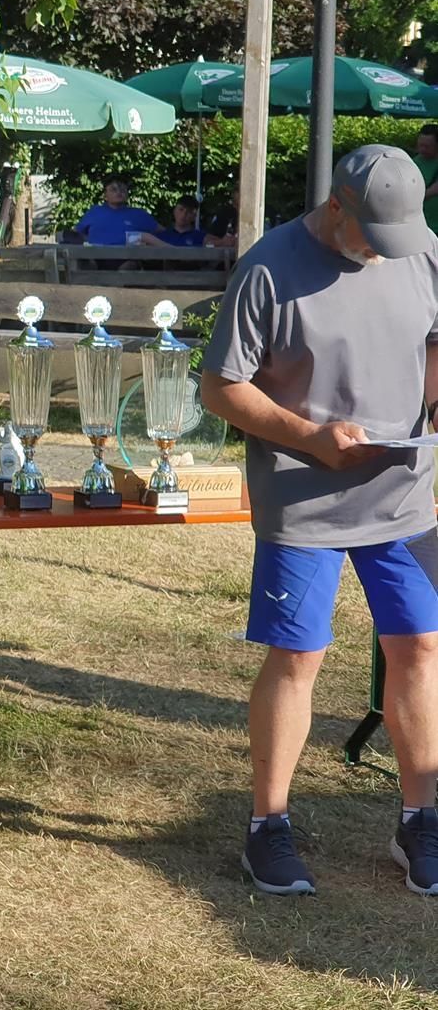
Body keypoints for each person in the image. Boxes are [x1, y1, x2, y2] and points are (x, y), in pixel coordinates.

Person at [201, 144, 438, 898]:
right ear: (337, 205)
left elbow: (433, 341)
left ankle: (420, 819)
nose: (387, 250)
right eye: (374, 233)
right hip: (305, 499)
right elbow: (221, 386)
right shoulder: (269, 268)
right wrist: (309, 437)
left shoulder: (421, 249)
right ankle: (267, 825)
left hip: (404, 495)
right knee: (299, 657)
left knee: (421, 646)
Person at [70, 175, 159, 246]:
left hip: (128, 258)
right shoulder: (94, 212)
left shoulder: (138, 214)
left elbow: (163, 233)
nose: (119, 192)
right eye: (114, 189)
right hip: (96, 257)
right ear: (105, 195)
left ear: (127, 195)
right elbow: (75, 234)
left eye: (122, 190)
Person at [139, 194, 207, 247]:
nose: (183, 215)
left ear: (194, 216)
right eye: (181, 209)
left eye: (189, 212)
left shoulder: (202, 237)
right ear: (174, 211)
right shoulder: (161, 236)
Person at [414, 124, 438, 234]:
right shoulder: (413, 163)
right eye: (420, 145)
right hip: (423, 227)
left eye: (427, 146)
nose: (422, 149)